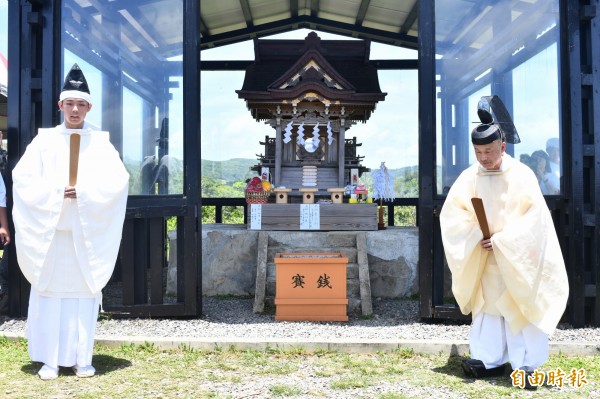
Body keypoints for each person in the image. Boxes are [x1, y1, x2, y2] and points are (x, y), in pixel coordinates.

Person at [12, 64, 129, 380]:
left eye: (81, 104)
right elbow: (21, 179)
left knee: (81, 297)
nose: (75, 110)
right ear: (60, 105)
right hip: (51, 235)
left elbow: (119, 181)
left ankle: (81, 358)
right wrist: (54, 192)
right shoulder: (44, 141)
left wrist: (86, 194)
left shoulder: (101, 144)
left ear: (89, 107)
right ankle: (49, 360)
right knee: (51, 295)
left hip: (84, 234)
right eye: (69, 103)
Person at [439, 123, 569, 390]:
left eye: (489, 150)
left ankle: (526, 365)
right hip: (485, 259)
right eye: (478, 152)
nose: (483, 158)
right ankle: (488, 360)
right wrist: (476, 235)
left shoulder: (522, 175)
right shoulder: (469, 178)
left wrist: (503, 241)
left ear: (503, 147)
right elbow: (453, 215)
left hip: (516, 259)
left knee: (520, 306)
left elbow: (535, 220)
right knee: (488, 309)